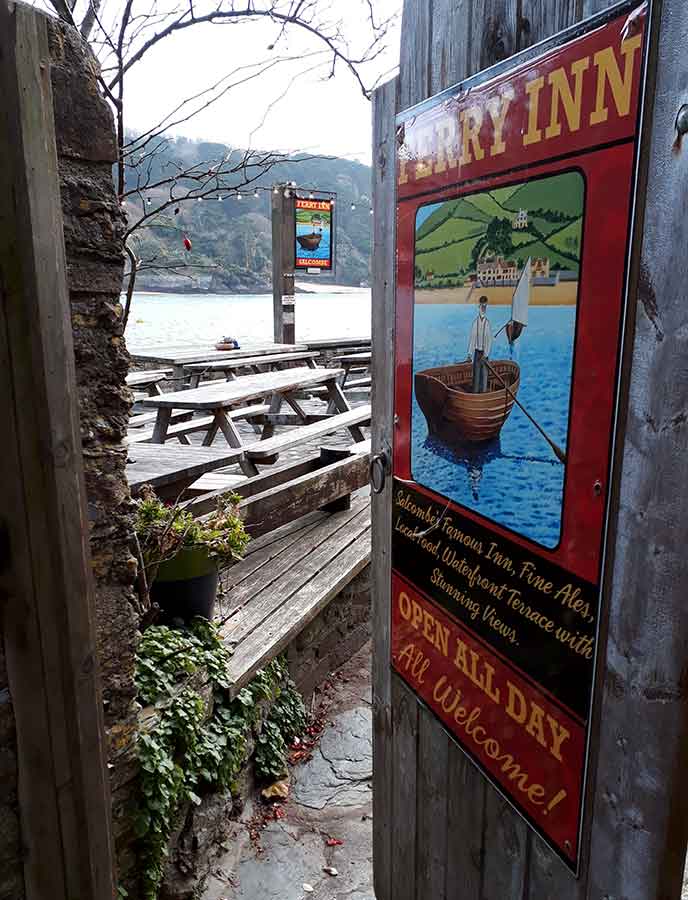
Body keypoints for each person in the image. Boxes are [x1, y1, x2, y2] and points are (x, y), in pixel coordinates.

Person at [467, 295, 493, 393]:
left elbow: (489, 340)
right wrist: (469, 354)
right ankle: (475, 395)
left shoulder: (487, 324)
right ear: (479, 307)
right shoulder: (475, 323)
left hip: (484, 355)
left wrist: (486, 354)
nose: (483, 309)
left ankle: (483, 395)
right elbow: (472, 339)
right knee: (476, 376)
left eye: (485, 307)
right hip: (477, 353)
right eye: (482, 306)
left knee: (484, 376)